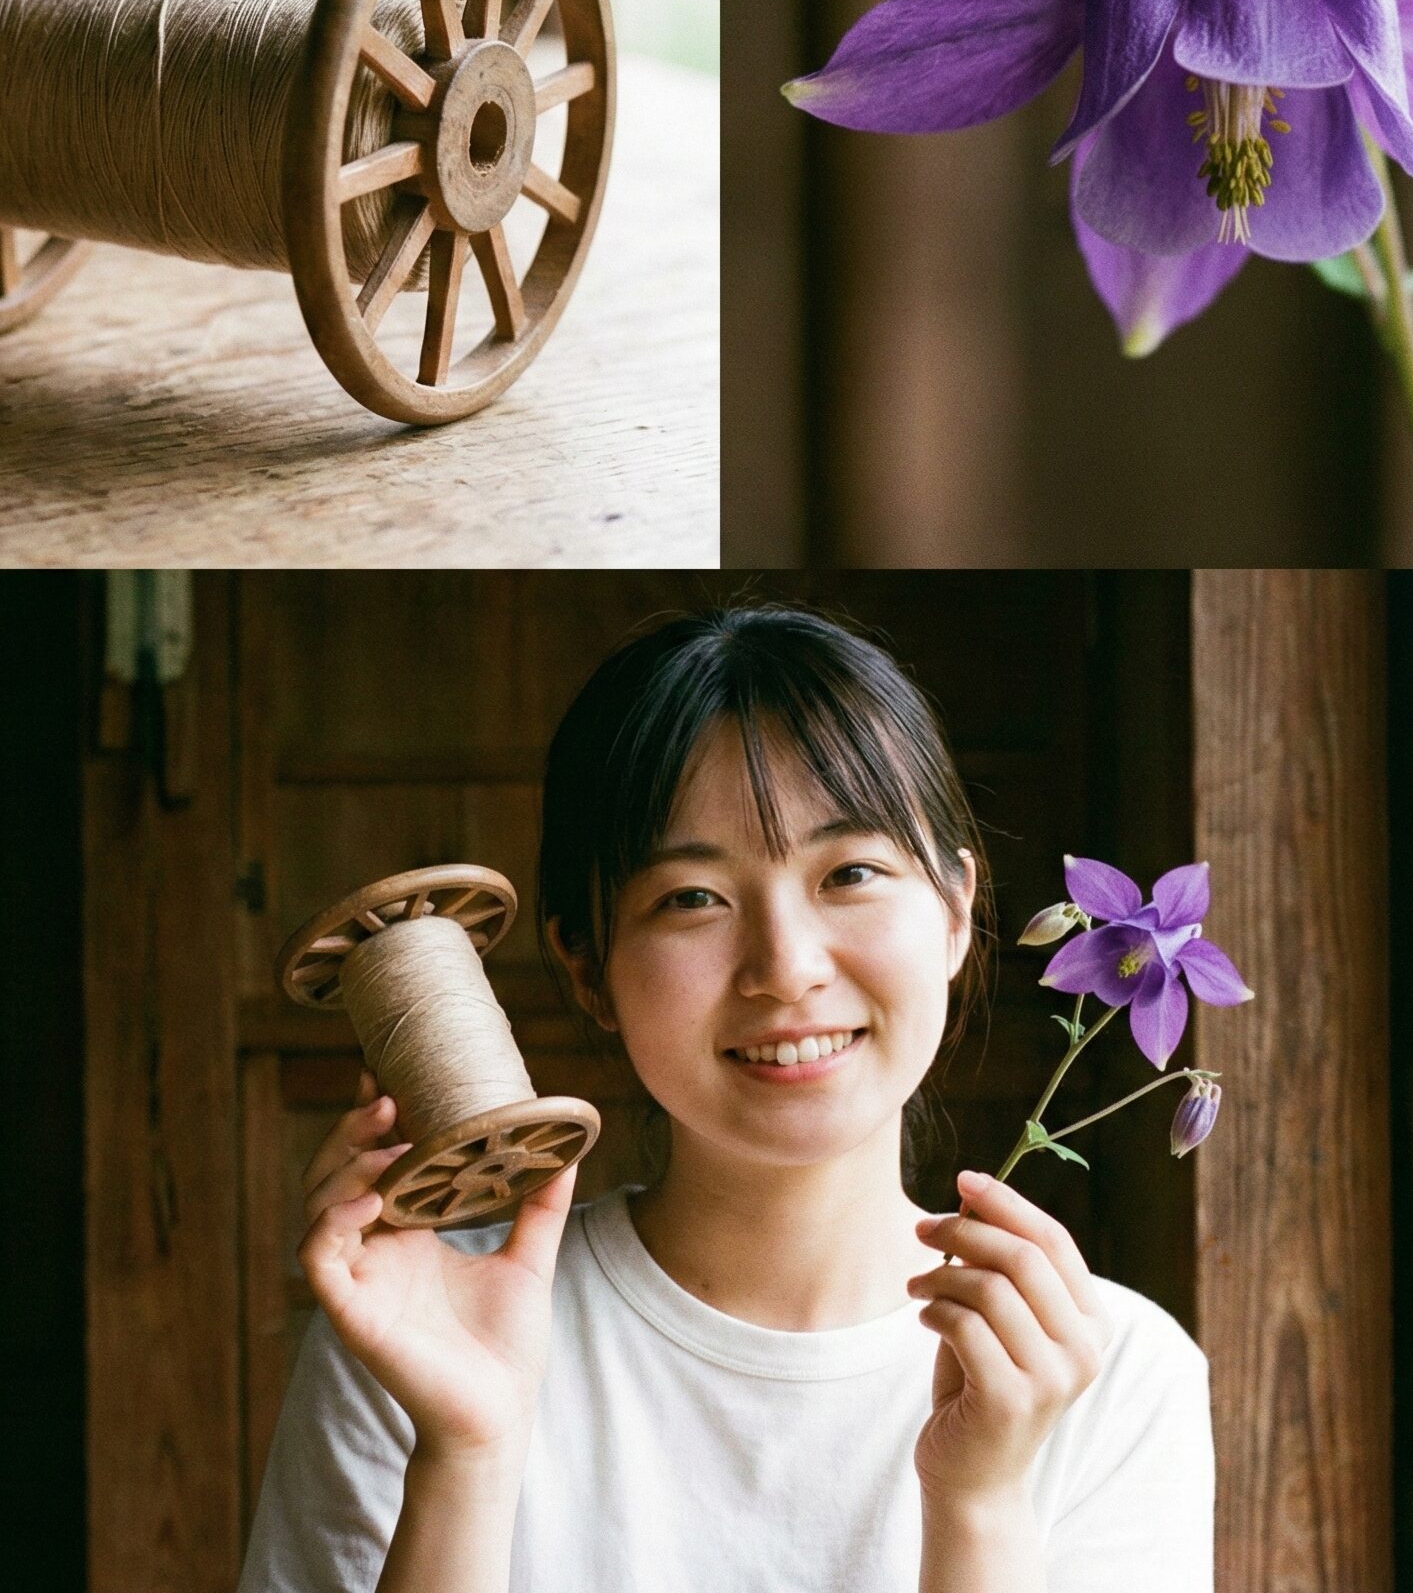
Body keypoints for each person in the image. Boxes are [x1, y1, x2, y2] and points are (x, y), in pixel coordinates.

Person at [238, 605, 1214, 1592]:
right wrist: (466, 1453)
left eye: (851, 872)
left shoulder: (1112, 1374)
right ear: (584, 963)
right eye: (691, 897)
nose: (785, 967)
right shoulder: (423, 1340)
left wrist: (979, 1502)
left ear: (956, 912)